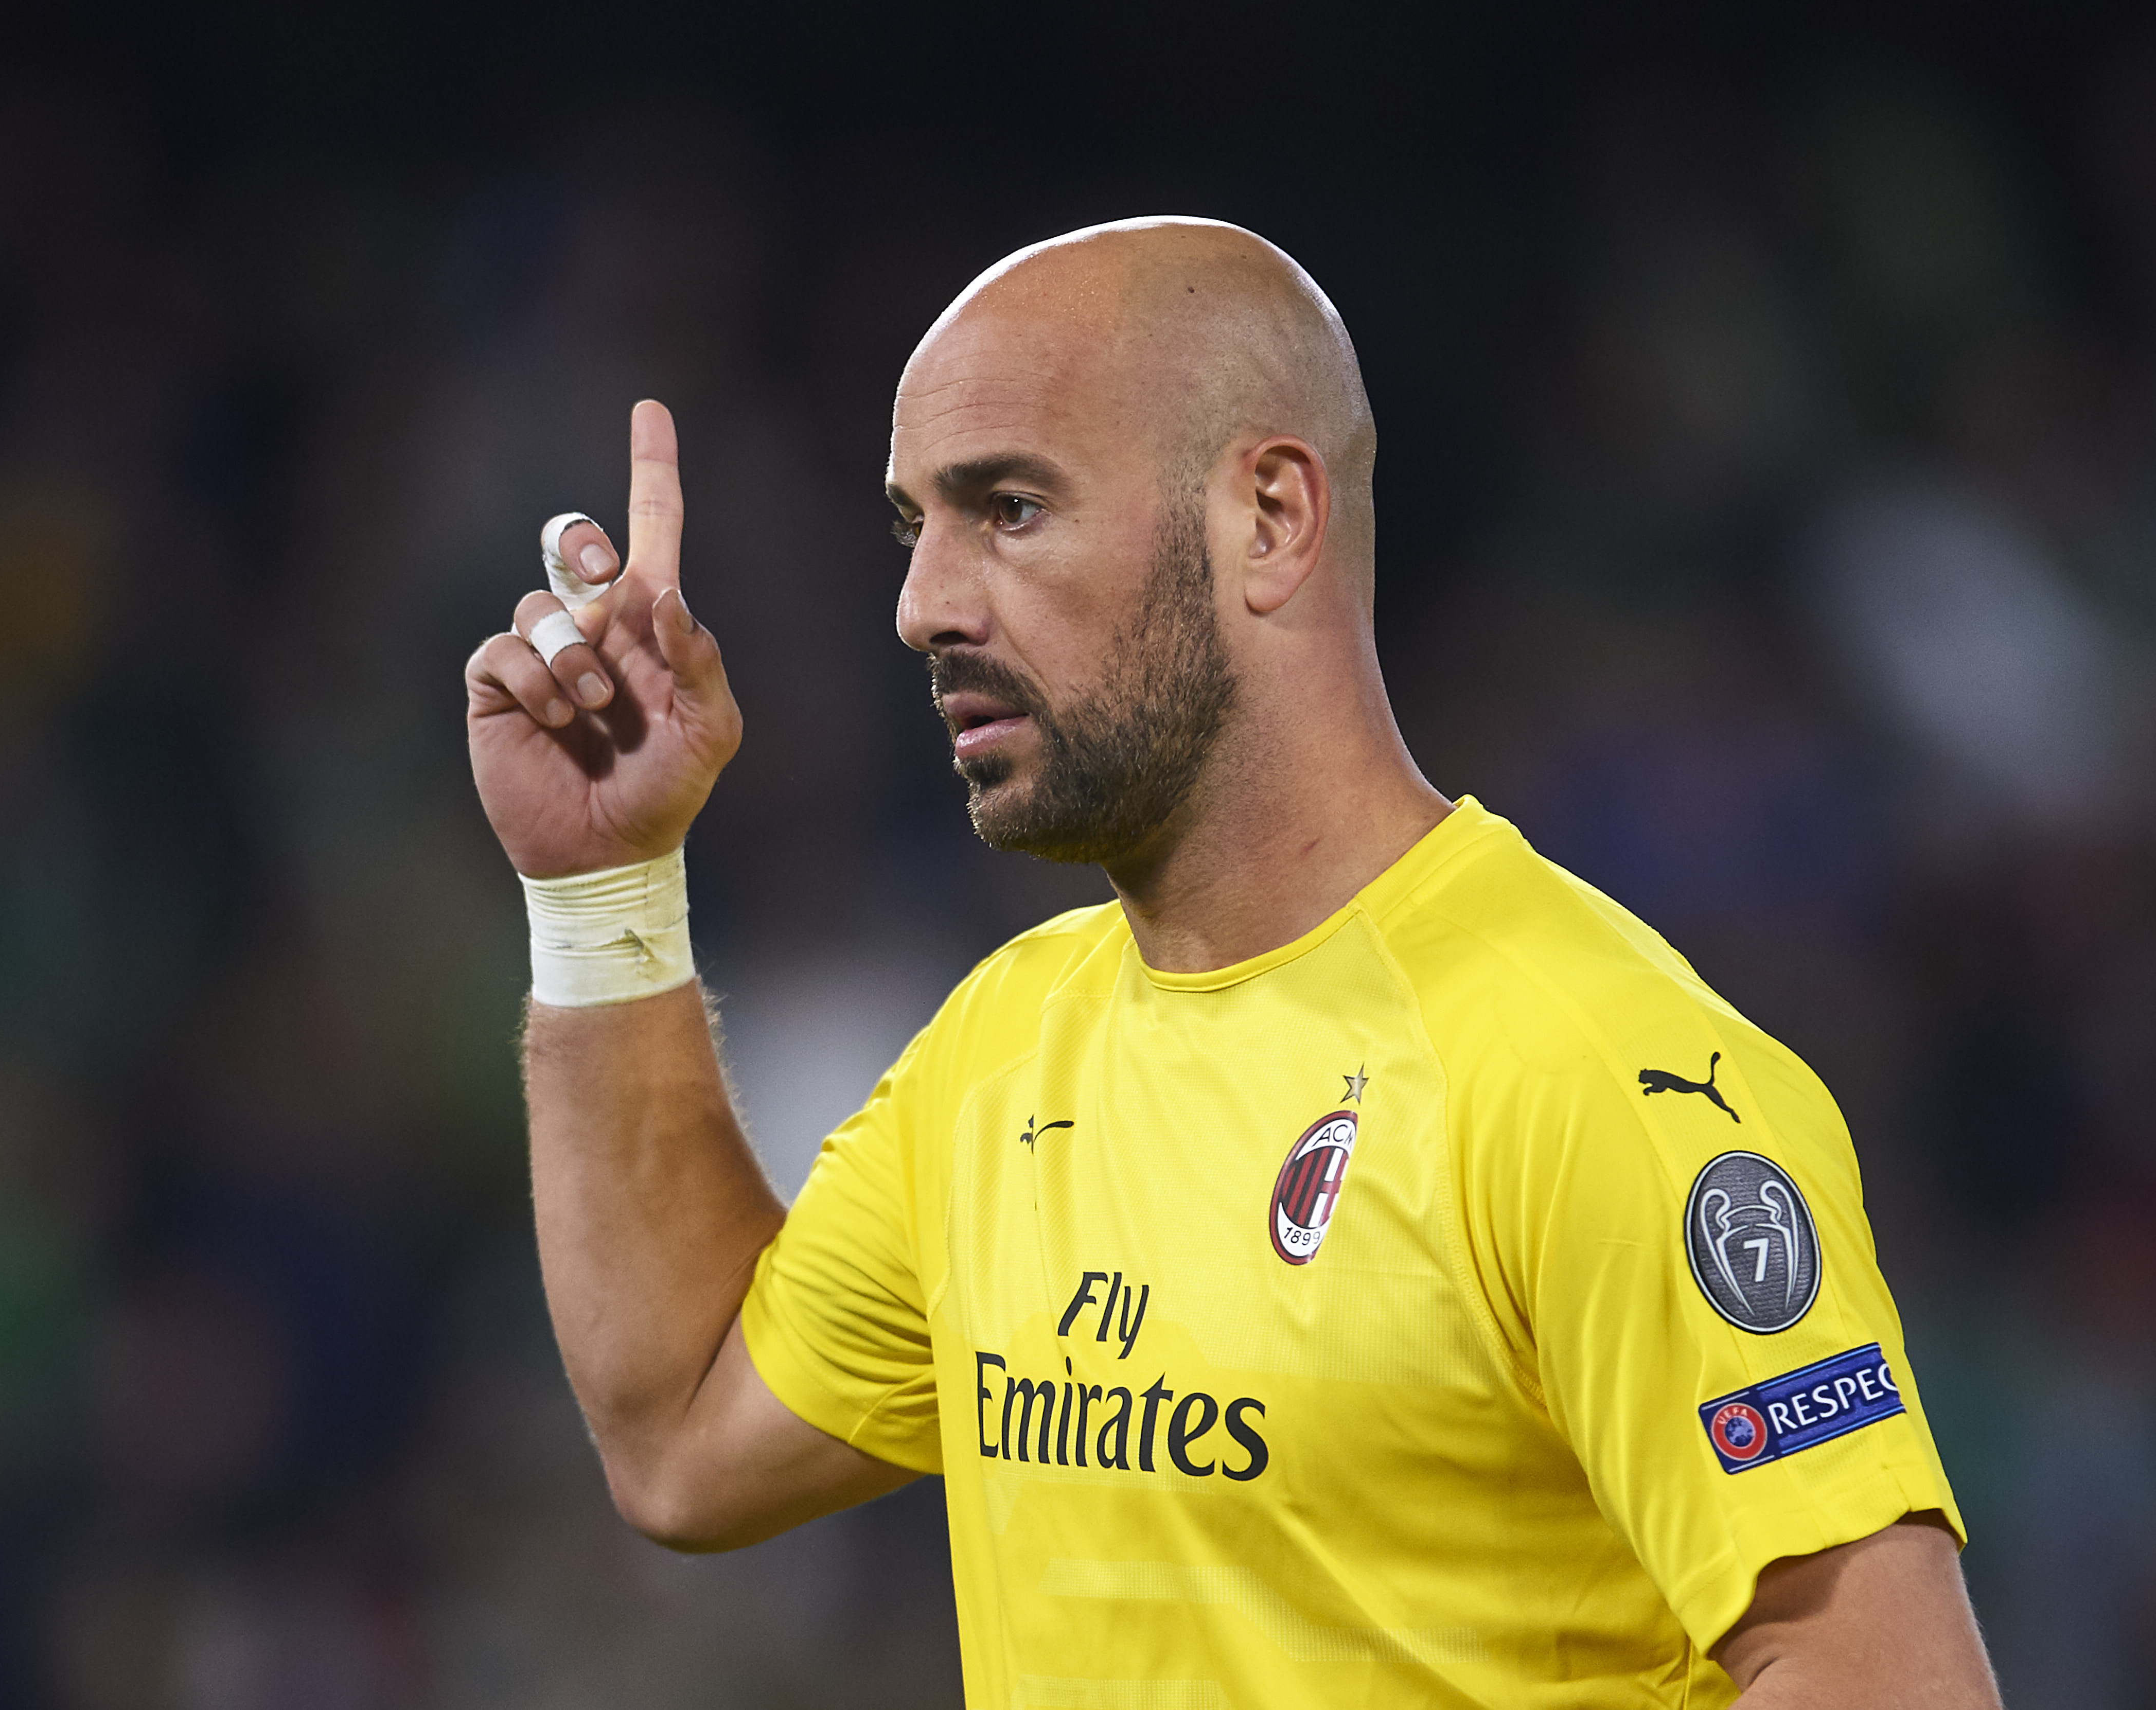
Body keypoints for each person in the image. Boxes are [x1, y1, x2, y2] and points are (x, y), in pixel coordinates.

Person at [462, 217, 2002, 1707]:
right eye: (913, 524)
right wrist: (605, 891)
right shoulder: (1006, 1053)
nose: (923, 602)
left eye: (1006, 506)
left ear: (1270, 516)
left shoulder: (1594, 1070)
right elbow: (686, 1430)